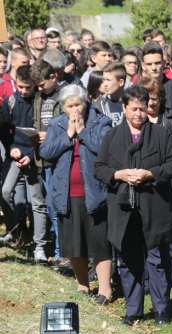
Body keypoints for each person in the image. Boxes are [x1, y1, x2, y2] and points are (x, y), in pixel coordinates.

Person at [95, 85, 172, 326]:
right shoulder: (112, 137)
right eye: (133, 109)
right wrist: (119, 175)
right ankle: (133, 310)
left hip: (155, 207)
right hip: (123, 209)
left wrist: (150, 174)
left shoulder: (161, 134)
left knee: (158, 259)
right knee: (130, 260)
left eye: (143, 109)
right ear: (123, 108)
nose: (138, 114)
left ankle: (161, 309)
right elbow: (99, 169)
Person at [39, 84, 113, 303]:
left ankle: (105, 289)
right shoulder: (56, 124)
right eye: (69, 106)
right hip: (66, 192)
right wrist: (68, 135)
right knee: (74, 242)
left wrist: (82, 133)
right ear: (63, 108)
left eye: (77, 104)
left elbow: (105, 150)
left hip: (95, 191)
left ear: (86, 102)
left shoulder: (101, 122)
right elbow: (46, 154)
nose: (74, 110)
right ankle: (83, 286)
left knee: (99, 242)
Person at [139, 76, 172, 296]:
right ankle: (151, 278)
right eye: (148, 98)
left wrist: (166, 159)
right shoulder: (136, 121)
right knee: (149, 233)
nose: (152, 103)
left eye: (156, 97)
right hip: (147, 184)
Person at [31, 59, 68, 264]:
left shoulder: (65, 96)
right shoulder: (38, 97)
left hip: (60, 158)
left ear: (53, 76)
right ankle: (59, 250)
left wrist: (50, 136)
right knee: (50, 206)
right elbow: (37, 123)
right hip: (43, 158)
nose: (39, 88)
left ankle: (64, 253)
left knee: (59, 206)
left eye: (42, 84)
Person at [0, 66, 36, 245]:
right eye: (20, 86)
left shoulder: (38, 101)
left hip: (35, 155)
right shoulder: (10, 102)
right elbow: (5, 130)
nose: (23, 90)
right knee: (6, 191)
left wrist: (31, 153)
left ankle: (37, 236)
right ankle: (13, 231)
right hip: (15, 154)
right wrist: (11, 147)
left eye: (27, 87)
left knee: (35, 200)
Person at [140, 42, 172, 126]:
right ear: (143, 66)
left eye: (157, 63)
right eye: (149, 64)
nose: (154, 68)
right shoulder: (136, 90)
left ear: (163, 63)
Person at [93, 62, 126, 127]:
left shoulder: (131, 102)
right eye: (104, 80)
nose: (105, 84)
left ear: (121, 82)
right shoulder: (98, 105)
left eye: (108, 80)